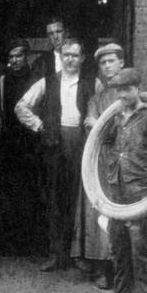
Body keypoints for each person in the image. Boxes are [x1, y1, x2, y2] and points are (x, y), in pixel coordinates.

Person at [96, 68, 147, 293]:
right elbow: (104, 141)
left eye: (127, 89)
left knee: (141, 244)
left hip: (139, 186)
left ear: (138, 88)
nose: (123, 94)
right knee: (118, 243)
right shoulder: (116, 117)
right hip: (116, 185)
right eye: (119, 90)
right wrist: (110, 161)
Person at [15, 37, 94, 272]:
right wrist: (40, 126)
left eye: (74, 55)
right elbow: (21, 106)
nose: (70, 59)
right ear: (61, 57)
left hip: (82, 145)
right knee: (55, 200)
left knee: (79, 201)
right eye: (66, 55)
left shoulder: (93, 84)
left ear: (82, 58)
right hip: (54, 145)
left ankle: (78, 255)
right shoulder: (47, 82)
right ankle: (56, 254)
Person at [73, 41, 125, 289]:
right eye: (103, 63)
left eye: (111, 61)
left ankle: (123, 270)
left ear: (121, 63)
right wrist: (96, 124)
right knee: (102, 212)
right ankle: (104, 268)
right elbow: (91, 121)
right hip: (104, 160)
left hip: (128, 161)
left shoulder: (131, 93)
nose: (107, 66)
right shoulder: (97, 98)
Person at [0, 38, 44, 256]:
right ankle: (11, 245)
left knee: (31, 192)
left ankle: (31, 244)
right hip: (10, 144)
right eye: (11, 57)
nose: (14, 60)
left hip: (31, 143)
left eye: (19, 56)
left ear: (27, 57)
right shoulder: (4, 80)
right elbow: (2, 111)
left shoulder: (36, 79)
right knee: (11, 192)